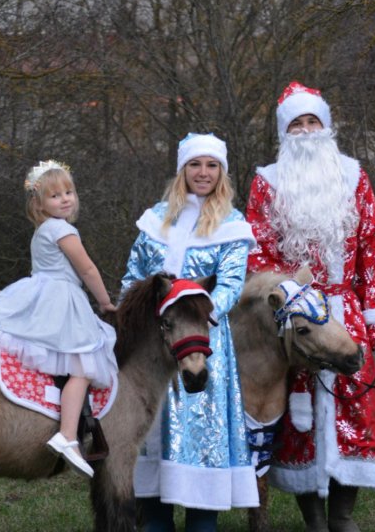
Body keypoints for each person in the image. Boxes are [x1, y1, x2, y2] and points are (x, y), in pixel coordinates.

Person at [245, 82, 375, 532]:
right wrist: (289, 298)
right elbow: (259, 250)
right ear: (284, 133)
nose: (306, 131)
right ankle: (312, 516)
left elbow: (374, 244)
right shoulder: (267, 184)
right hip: (294, 318)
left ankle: (343, 516)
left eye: (313, 122)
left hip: (347, 313)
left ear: (327, 128)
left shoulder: (354, 178)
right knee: (297, 417)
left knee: (355, 409)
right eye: (297, 123)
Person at [121, 133, 260, 532]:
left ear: (222, 173)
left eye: (212, 166)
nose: (203, 173)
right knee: (152, 427)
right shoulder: (155, 219)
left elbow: (231, 284)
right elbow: (133, 277)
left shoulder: (232, 226)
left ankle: (203, 520)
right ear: (183, 170)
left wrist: (200, 314)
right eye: (195, 165)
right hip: (152, 344)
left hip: (202, 340)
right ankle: (155, 519)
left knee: (200, 430)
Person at [0, 160, 118, 479]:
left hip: (41, 296)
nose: (65, 199)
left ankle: (46, 414)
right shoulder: (62, 229)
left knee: (53, 359)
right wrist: (105, 302)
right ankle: (68, 436)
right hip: (61, 302)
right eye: (55, 195)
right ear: (39, 203)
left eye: (69, 192)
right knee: (83, 368)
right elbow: (86, 269)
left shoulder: (43, 230)